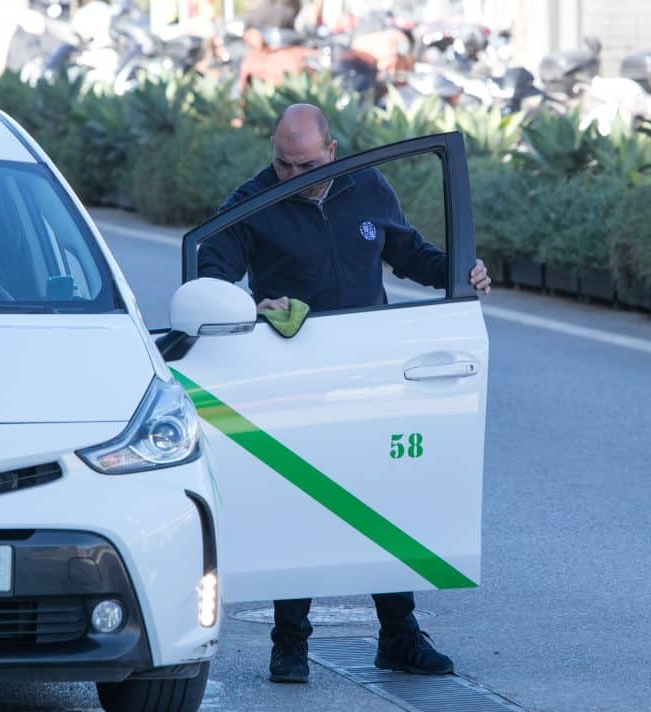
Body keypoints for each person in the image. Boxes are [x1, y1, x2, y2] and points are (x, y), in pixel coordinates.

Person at [198, 103, 491, 684]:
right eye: (283, 164)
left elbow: (408, 253)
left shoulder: (368, 187)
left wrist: (462, 271)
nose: (293, 176)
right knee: (300, 501)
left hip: (368, 366)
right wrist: (250, 307)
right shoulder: (254, 202)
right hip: (295, 373)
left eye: (305, 165)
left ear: (331, 151)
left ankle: (400, 638)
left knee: (385, 498)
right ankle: (290, 646)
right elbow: (210, 274)